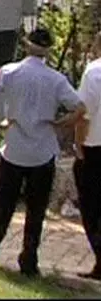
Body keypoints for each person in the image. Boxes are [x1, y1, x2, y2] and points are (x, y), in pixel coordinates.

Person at [0, 27, 87, 277]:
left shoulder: (10, 72)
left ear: (26, 45)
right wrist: (61, 123)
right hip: (43, 151)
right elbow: (79, 108)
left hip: (14, 149)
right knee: (36, 211)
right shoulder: (56, 79)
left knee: (2, 205)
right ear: (48, 50)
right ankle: (29, 261)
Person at [74, 32, 101, 280]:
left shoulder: (94, 72)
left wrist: (78, 144)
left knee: (92, 205)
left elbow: (83, 113)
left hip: (96, 148)